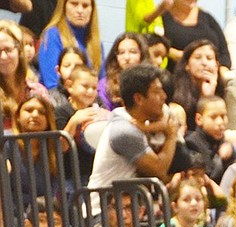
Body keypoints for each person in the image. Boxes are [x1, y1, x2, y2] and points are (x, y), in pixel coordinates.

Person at [88, 63, 179, 191]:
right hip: (104, 208)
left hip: (128, 207)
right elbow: (159, 169)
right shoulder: (124, 130)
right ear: (139, 99)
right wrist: (171, 136)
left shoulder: (139, 122)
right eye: (157, 91)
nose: (164, 96)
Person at [37, 0, 104, 90]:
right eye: (74, 4)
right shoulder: (52, 35)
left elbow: (101, 83)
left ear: (92, 10)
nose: (80, 10)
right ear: (64, 6)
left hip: (91, 100)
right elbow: (52, 84)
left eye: (85, 6)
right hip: (58, 99)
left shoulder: (96, 42)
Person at [0, 19, 49, 131]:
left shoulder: (37, 91)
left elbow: (48, 135)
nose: (3, 57)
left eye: (8, 50)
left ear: (19, 51)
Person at [160, 0, 230, 73]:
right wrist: (172, 53)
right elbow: (153, 45)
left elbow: (224, 54)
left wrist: (224, 74)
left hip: (210, 79)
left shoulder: (208, 19)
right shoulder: (161, 18)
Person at [97, 31, 150, 111]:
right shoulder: (105, 84)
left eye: (133, 52)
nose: (127, 57)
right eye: (121, 53)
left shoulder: (152, 83)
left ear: (142, 55)